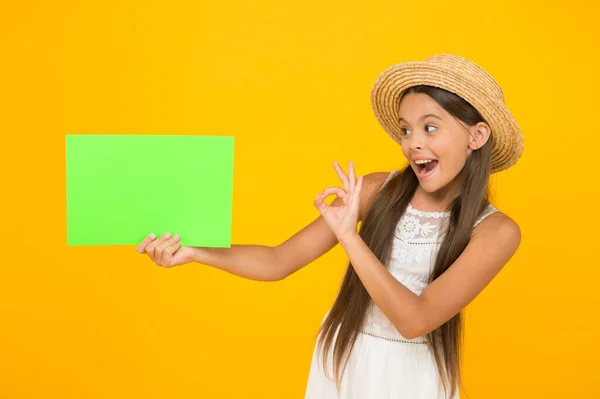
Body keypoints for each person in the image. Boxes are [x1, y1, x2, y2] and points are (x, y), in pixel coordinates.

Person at [135, 54, 524, 398]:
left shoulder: (495, 231)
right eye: (406, 130)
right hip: (342, 361)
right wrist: (193, 253)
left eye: (430, 128)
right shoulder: (375, 190)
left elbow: (415, 320)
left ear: (477, 135)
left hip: (413, 377)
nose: (412, 144)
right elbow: (277, 261)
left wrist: (350, 237)